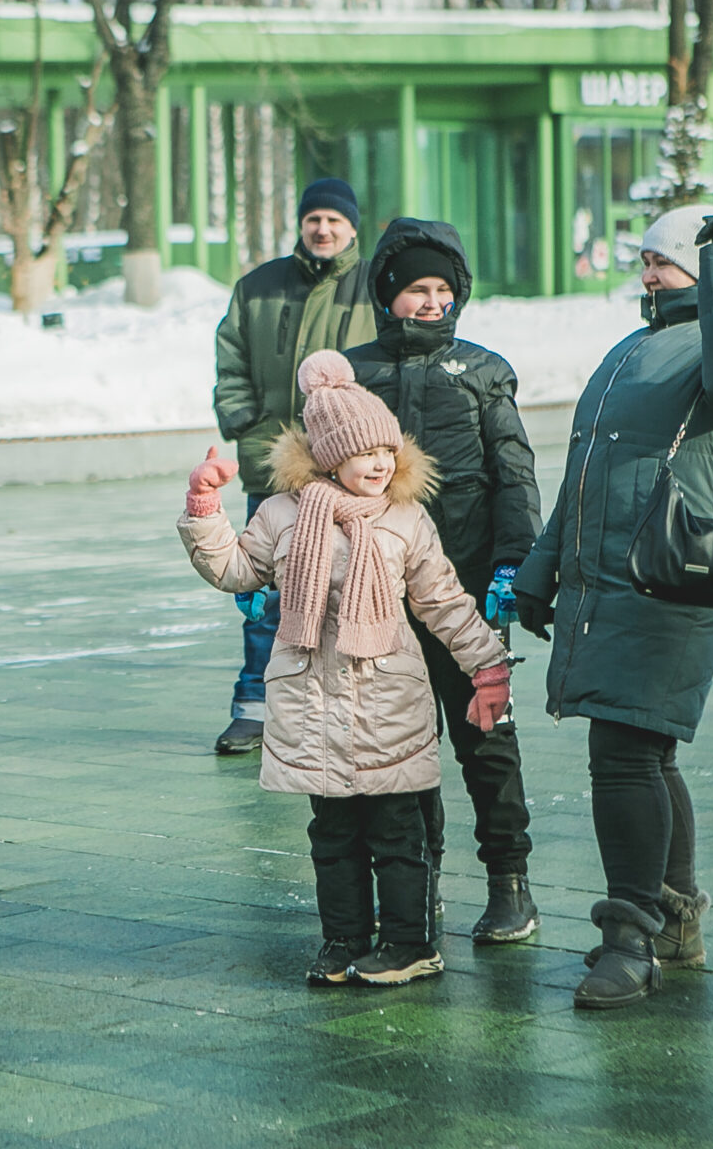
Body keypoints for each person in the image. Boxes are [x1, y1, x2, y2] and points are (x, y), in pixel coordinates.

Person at [513, 208, 713, 1010]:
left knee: (623, 753)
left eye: (664, 261)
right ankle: (674, 922)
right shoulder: (632, 347)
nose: (649, 273)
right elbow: (586, 475)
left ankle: (629, 941)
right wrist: (540, 569)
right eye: (645, 260)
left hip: (675, 576)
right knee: (649, 752)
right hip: (609, 581)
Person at [180, 351, 511, 986]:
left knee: (397, 833)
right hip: (312, 701)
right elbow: (235, 570)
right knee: (332, 836)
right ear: (331, 457)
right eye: (364, 453)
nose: (380, 464)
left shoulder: (405, 518)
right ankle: (344, 940)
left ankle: (410, 944)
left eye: (387, 450)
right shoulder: (283, 514)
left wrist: (487, 668)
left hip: (388, 699)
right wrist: (204, 507)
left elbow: (444, 602)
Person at [344, 218, 544, 946]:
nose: (430, 302)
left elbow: (513, 474)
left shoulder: (483, 371)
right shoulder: (352, 372)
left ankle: (509, 882)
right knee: (398, 746)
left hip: (465, 588)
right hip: (379, 595)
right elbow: (316, 479)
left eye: (442, 290)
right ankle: (414, 886)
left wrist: (514, 562)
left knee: (485, 740)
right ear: (386, 296)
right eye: (415, 290)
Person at [209, 178, 379, 754]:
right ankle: (254, 708)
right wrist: (246, 420)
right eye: (314, 219)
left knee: (353, 591)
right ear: (302, 224)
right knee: (266, 594)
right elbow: (230, 360)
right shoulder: (258, 287)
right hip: (273, 470)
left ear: (352, 226)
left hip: (352, 473)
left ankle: (349, 711)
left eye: (334, 220)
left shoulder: (375, 287)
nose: (323, 229)